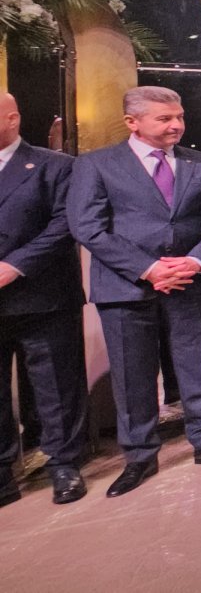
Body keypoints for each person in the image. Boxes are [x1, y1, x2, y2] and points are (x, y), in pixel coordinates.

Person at [69, 86, 201, 497]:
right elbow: (88, 226)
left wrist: (195, 261)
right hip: (125, 287)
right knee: (133, 375)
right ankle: (140, 456)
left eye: (179, 116)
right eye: (165, 118)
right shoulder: (97, 165)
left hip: (191, 283)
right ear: (133, 122)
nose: (176, 125)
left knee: (198, 365)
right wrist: (148, 269)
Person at [0, 93, 87, 506]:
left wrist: (14, 265)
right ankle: (3, 473)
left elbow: (65, 224)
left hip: (43, 295)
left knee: (56, 385)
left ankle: (64, 464)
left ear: (12, 118)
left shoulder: (55, 166)